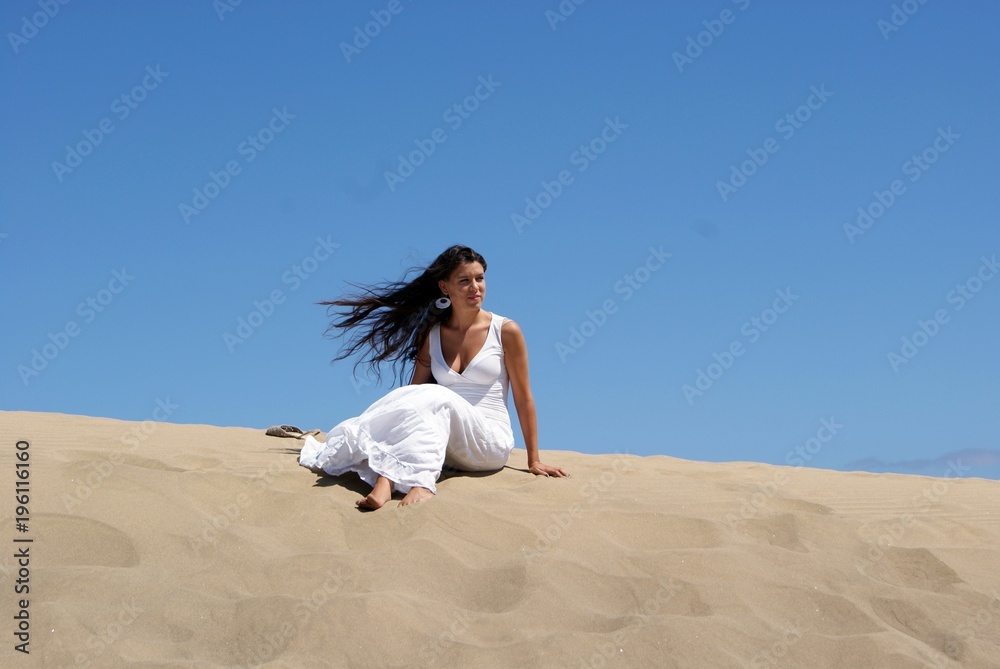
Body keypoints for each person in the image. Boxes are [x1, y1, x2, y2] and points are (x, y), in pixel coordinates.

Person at [298, 245, 569, 509]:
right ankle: (386, 479)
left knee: (438, 396)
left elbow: (523, 398)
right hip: (447, 446)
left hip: (489, 444)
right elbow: (413, 398)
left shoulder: (505, 331)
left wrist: (534, 460)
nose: (475, 287)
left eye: (480, 278)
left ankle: (421, 482)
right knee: (411, 398)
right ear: (444, 287)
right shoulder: (433, 335)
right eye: (464, 281)